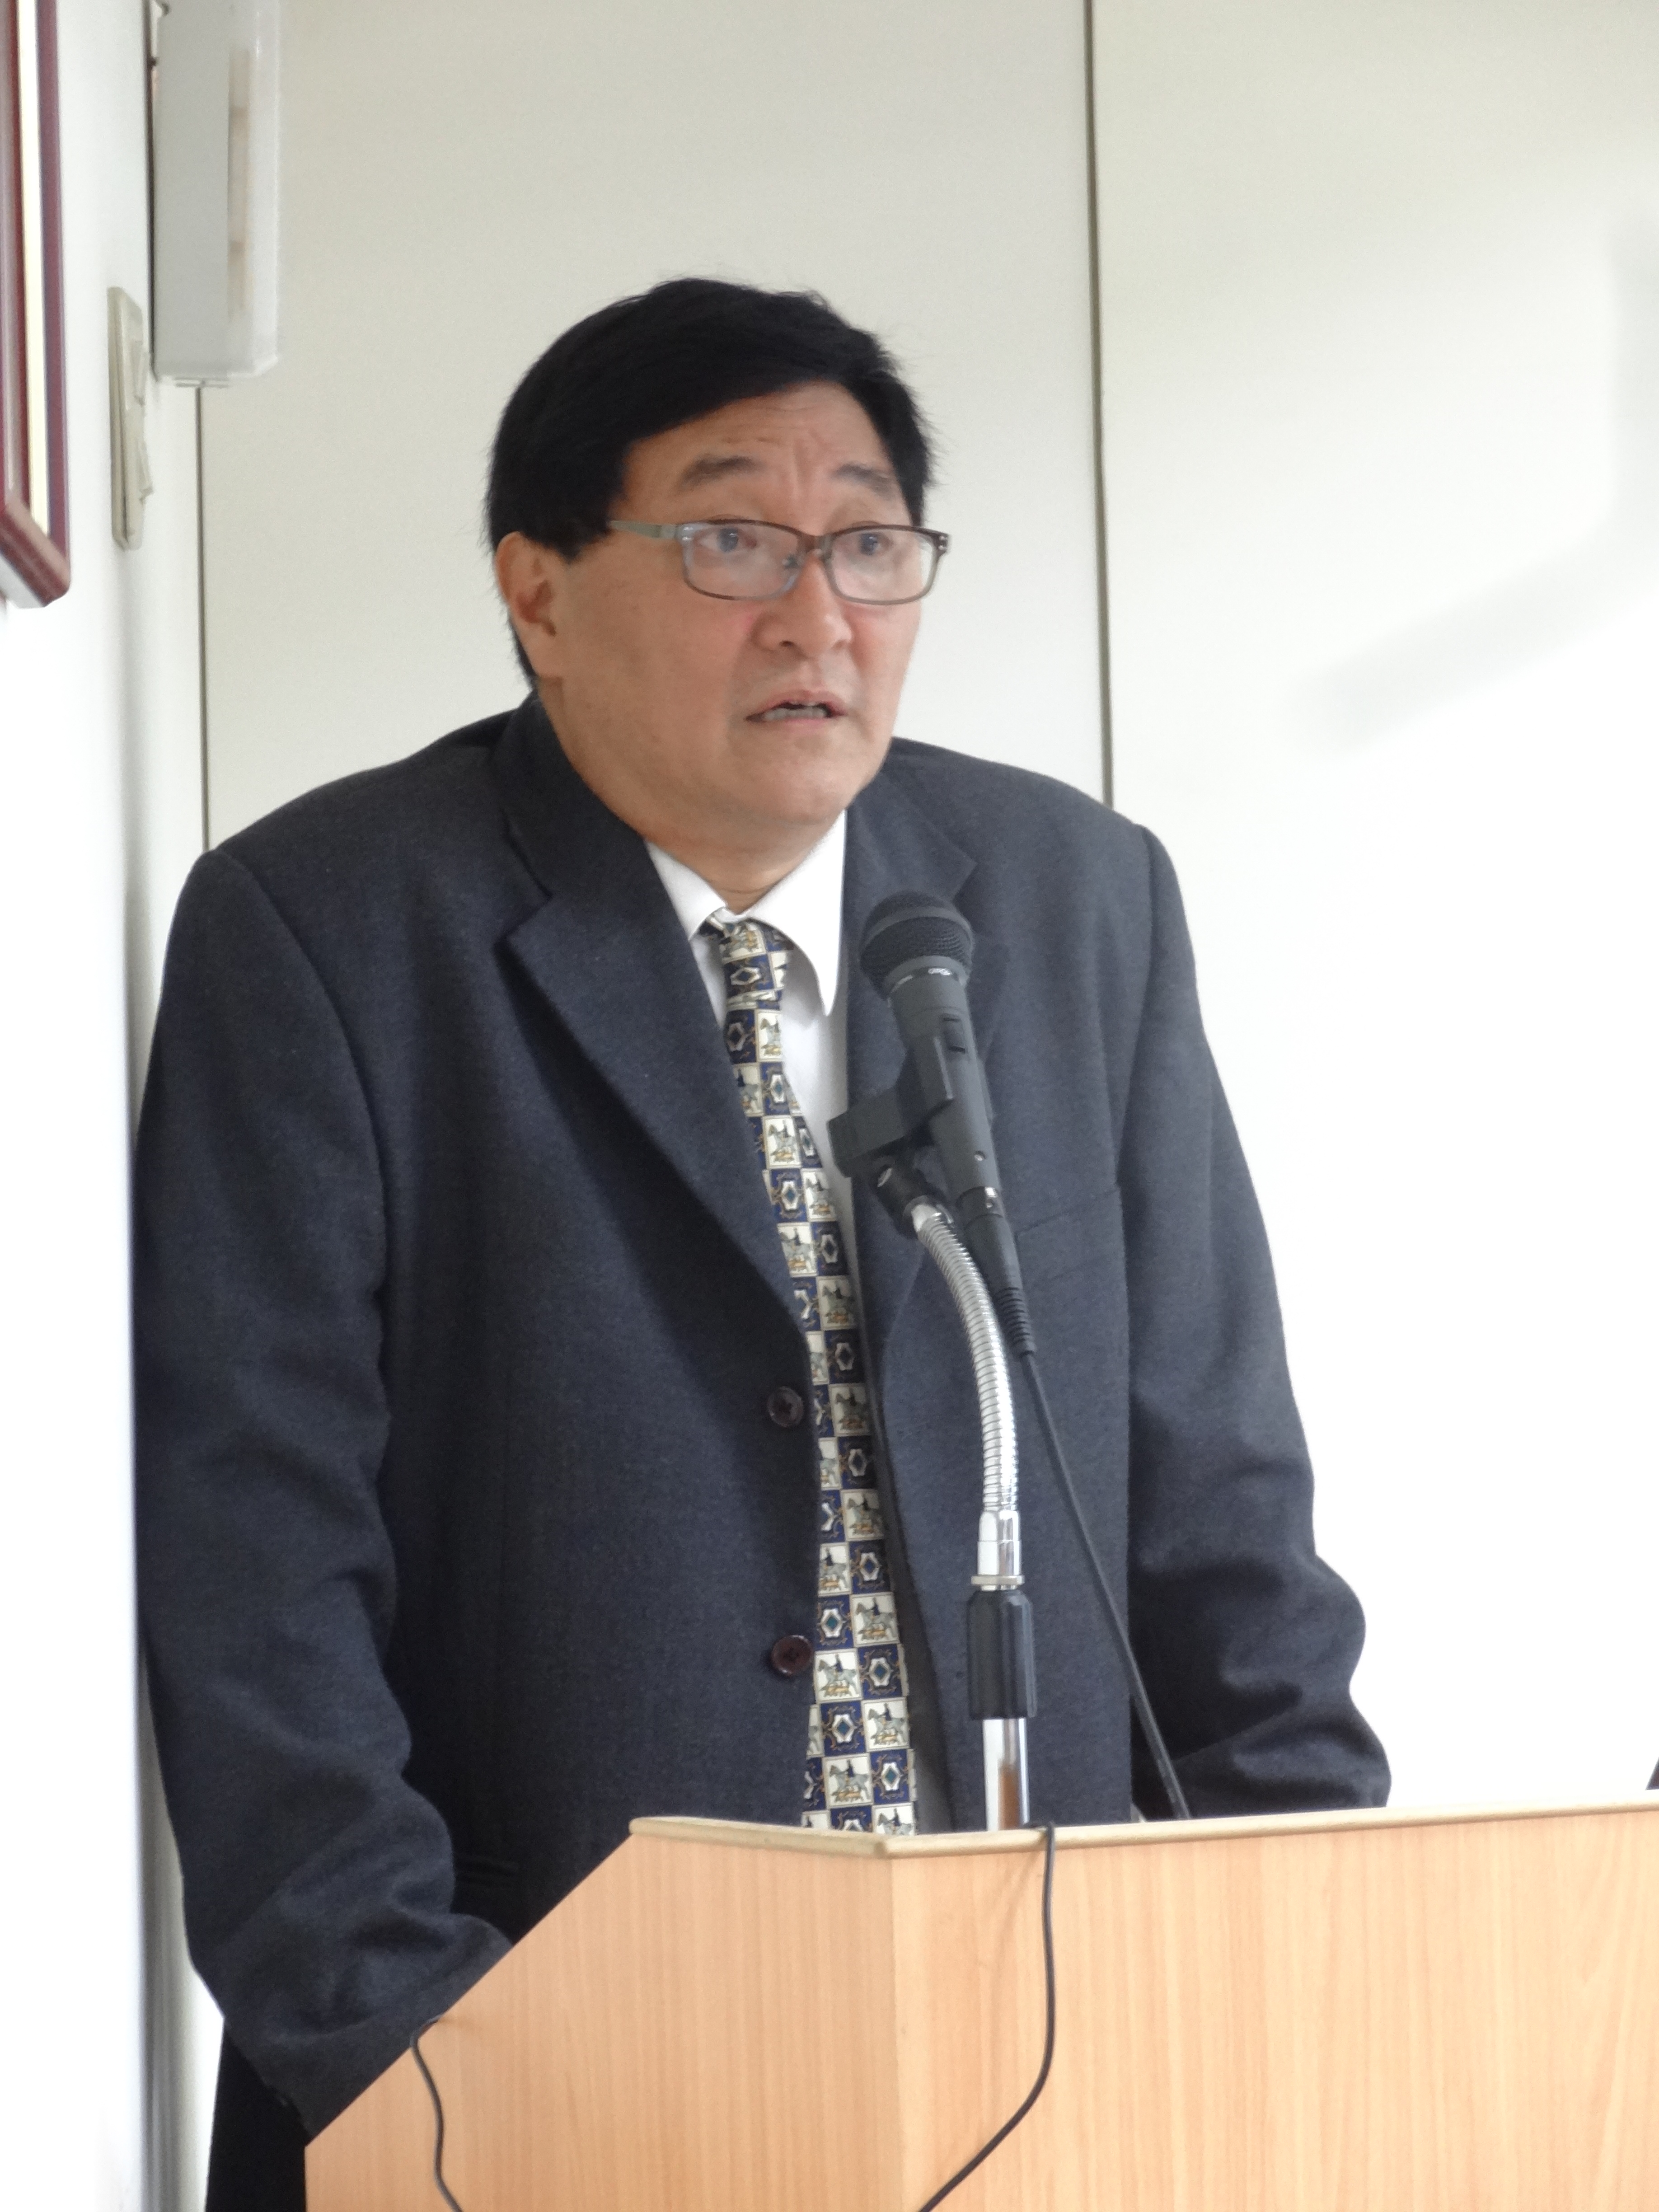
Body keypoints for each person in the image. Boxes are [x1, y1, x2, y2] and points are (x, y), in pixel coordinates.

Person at [134, 277, 1387, 2210]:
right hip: (539, 2068)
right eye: (732, 541)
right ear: (539, 590)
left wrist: (1312, 1965)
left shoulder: (1076, 901)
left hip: (1048, 2046)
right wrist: (438, 2081)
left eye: (870, 545)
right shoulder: (328, 928)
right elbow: (259, 1580)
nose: (819, 616)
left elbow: (1221, 1498)